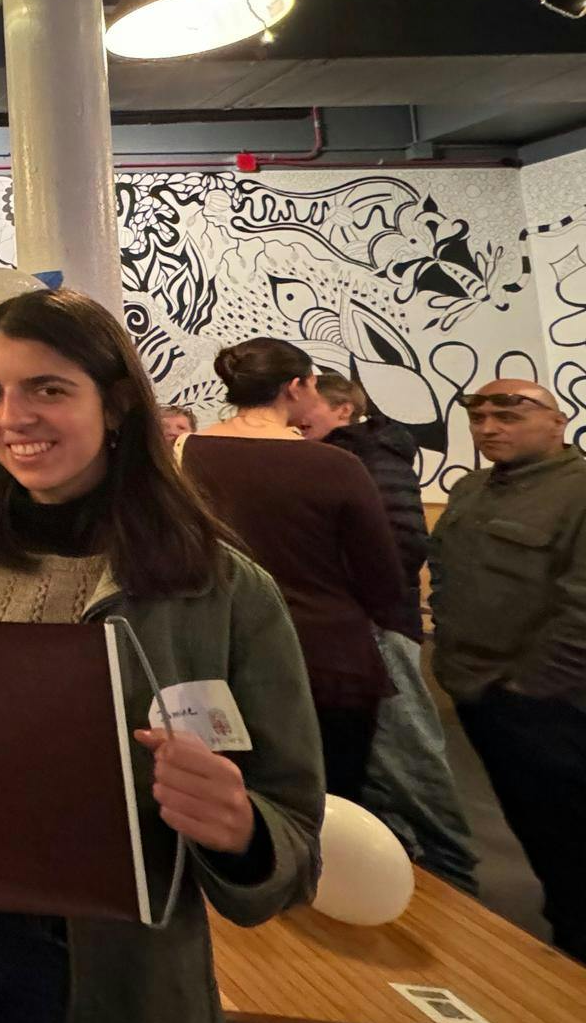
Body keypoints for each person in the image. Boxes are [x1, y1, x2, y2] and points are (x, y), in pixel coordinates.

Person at [0, 288, 322, 1023]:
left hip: (101, 961)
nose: (13, 417)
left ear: (114, 405)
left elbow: (293, 835)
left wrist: (242, 829)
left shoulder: (220, 591)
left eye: (48, 388)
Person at [180, 338, 410, 802]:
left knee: (238, 801)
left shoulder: (184, 453)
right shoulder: (336, 464)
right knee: (331, 805)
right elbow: (382, 574)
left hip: (219, 651)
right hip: (328, 657)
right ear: (297, 385)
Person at [296, 374, 479, 893]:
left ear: (343, 409)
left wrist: (357, 604)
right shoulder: (338, 459)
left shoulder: (370, 458)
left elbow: (400, 543)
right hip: (351, 627)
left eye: (307, 408)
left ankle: (450, 877)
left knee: (406, 756)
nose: (295, 416)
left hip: (377, 629)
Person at [431, 380, 586, 961]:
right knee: (538, 833)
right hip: (481, 694)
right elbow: (444, 576)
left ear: (558, 419)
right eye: (478, 416)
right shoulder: (472, 490)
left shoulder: (577, 493)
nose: (490, 427)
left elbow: (582, 610)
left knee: (571, 841)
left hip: (552, 706)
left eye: (510, 413)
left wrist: (531, 690)